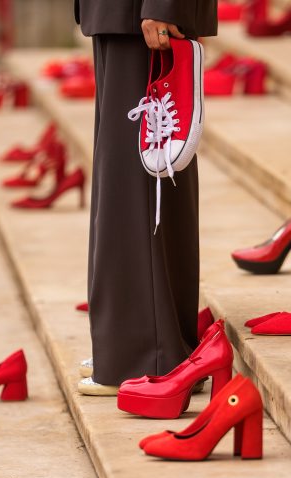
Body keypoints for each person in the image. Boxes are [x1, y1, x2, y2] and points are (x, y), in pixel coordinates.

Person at [74, 0, 218, 395]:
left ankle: (145, 355)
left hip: (141, 11)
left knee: (137, 177)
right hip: (122, 12)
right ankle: (136, 345)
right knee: (129, 171)